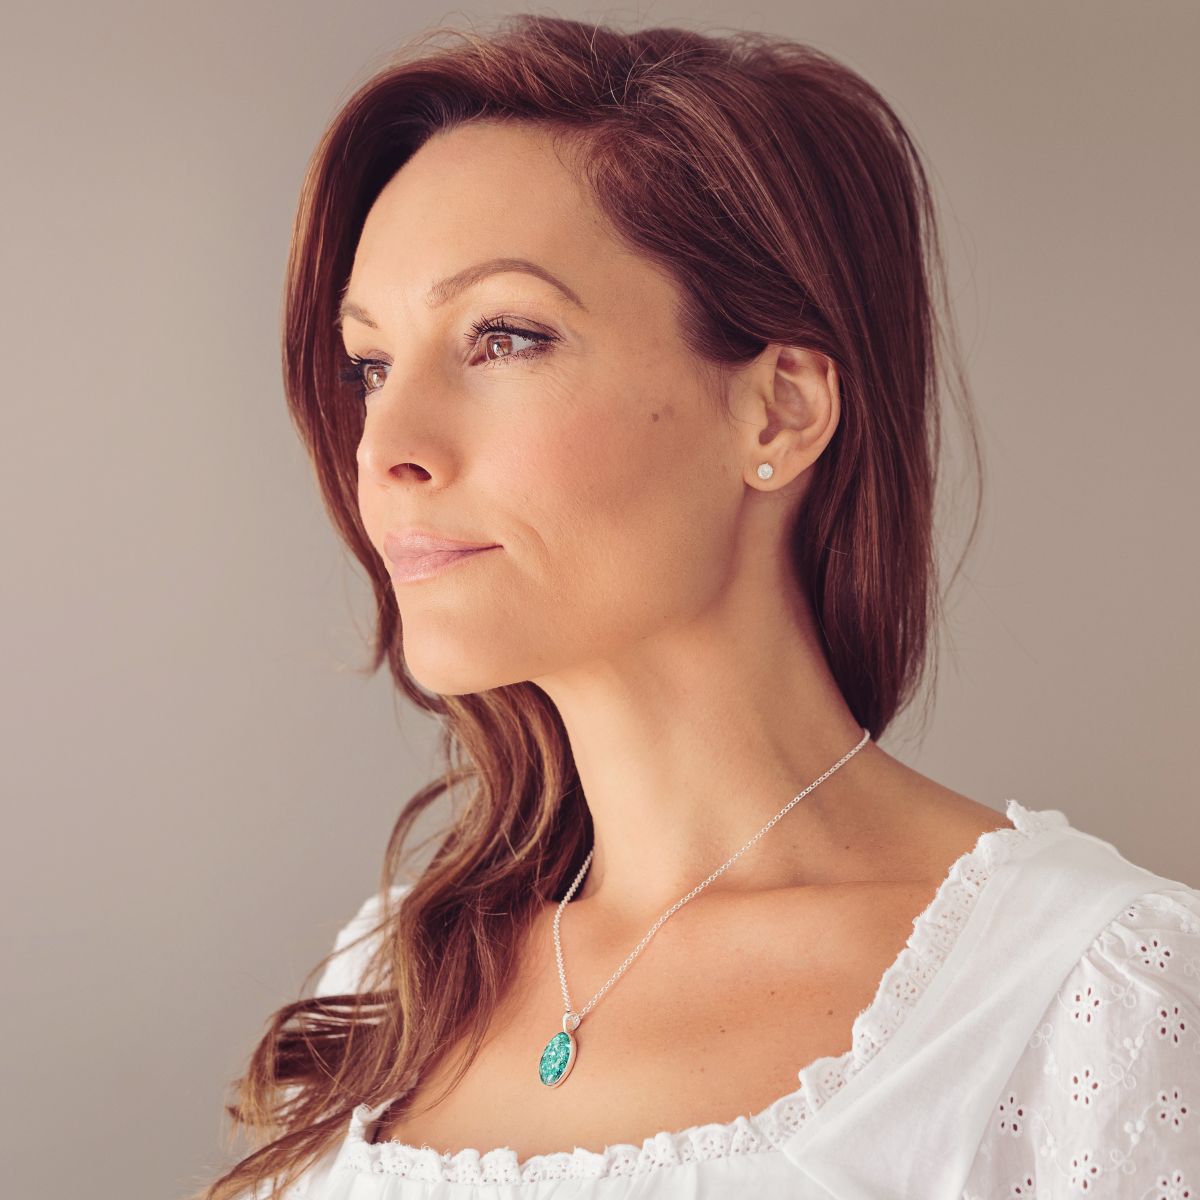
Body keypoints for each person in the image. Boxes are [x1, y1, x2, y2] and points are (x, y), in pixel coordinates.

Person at [191, 13, 1200, 1200]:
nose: (388, 448)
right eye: (371, 365)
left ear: (776, 413)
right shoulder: (397, 971)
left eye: (503, 337)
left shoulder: (1090, 997)